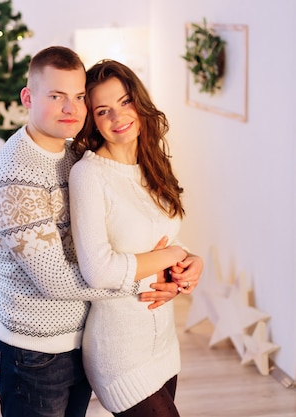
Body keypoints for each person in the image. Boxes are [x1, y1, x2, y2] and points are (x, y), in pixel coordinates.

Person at [0, 46, 199, 417]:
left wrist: (182, 262)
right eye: (56, 96)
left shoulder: (69, 154)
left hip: (79, 339)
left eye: (79, 97)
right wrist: (151, 278)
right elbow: (57, 281)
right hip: (34, 351)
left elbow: (129, 233)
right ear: (28, 98)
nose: (71, 108)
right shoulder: (14, 178)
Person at [69, 59, 204, 416]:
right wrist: (170, 254)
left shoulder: (152, 163)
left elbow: (161, 239)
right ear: (92, 120)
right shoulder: (88, 176)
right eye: (103, 111)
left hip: (163, 343)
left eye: (125, 101)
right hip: (120, 350)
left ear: (139, 101)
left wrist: (191, 263)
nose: (118, 117)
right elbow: (98, 271)